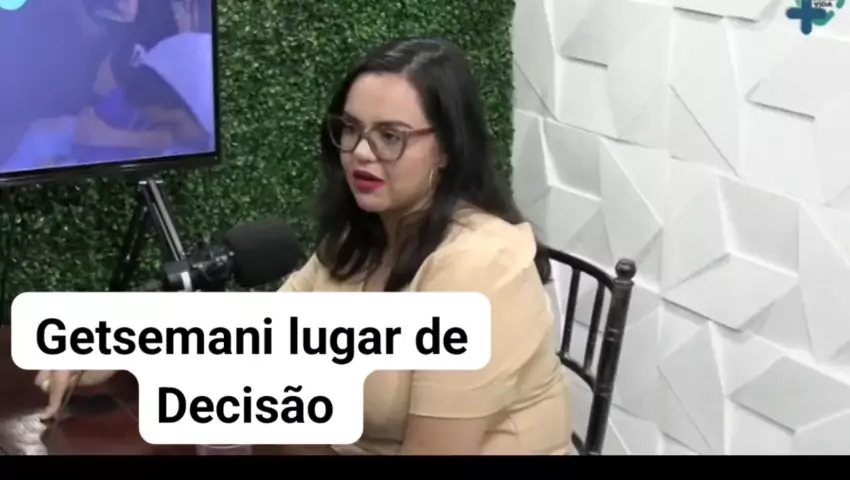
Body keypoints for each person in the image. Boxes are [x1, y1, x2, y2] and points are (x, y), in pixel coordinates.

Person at [34, 37, 572, 455]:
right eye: (351, 129)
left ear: (449, 147)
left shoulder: (480, 269)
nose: (361, 152)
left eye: (391, 136)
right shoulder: (359, 240)